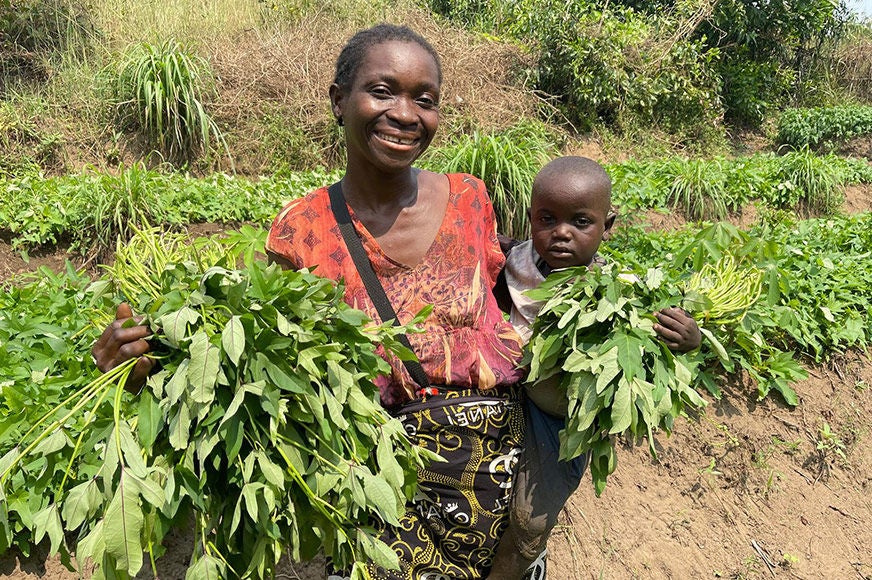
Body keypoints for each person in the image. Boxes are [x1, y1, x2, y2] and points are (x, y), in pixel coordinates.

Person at [94, 24, 528, 580]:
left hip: (505, 478)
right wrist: (143, 365)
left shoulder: (470, 198)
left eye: (425, 99)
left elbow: (503, 303)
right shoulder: (303, 231)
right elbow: (270, 358)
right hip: (390, 493)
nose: (405, 113)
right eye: (383, 90)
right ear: (339, 101)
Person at [487, 156, 701, 579]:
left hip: (560, 423)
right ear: (531, 217)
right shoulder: (509, 260)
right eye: (547, 218)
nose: (561, 232)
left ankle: (521, 565)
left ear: (608, 226)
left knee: (530, 519)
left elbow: (652, 350)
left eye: (581, 222)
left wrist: (689, 341)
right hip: (504, 396)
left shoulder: (618, 296)